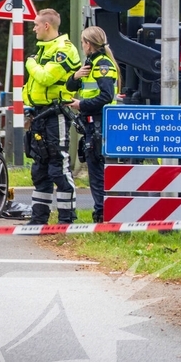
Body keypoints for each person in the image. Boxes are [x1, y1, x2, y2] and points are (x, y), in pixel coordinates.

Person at [22, 8, 82, 225]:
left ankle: (67, 220)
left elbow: (46, 78)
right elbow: (35, 85)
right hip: (38, 115)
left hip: (55, 115)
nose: (34, 28)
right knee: (40, 168)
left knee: (58, 165)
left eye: (36, 24)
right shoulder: (42, 50)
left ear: (47, 26)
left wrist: (29, 63)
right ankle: (39, 219)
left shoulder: (64, 49)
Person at [66, 26, 118, 223]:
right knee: (95, 171)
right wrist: (75, 76)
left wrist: (81, 104)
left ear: (88, 44)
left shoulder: (102, 64)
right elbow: (71, 86)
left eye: (82, 42)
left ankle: (102, 214)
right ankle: (101, 212)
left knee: (98, 172)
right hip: (92, 124)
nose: (82, 46)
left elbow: (106, 96)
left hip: (100, 123)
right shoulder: (90, 63)